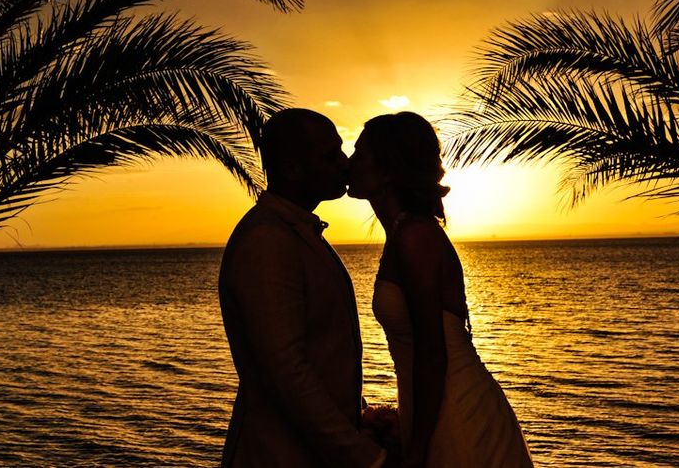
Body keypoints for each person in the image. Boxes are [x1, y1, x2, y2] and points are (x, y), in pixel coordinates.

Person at [348, 111, 534, 468]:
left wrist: (418, 450)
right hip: (433, 407)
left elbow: (432, 353)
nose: (349, 162)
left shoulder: (416, 237)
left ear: (387, 169)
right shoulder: (404, 234)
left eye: (359, 153)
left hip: (456, 413)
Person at [218, 108, 388, 468]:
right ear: (294, 168)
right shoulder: (268, 240)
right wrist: (366, 458)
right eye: (330, 155)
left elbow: (321, 355)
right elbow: (285, 369)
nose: (344, 164)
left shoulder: (296, 233)